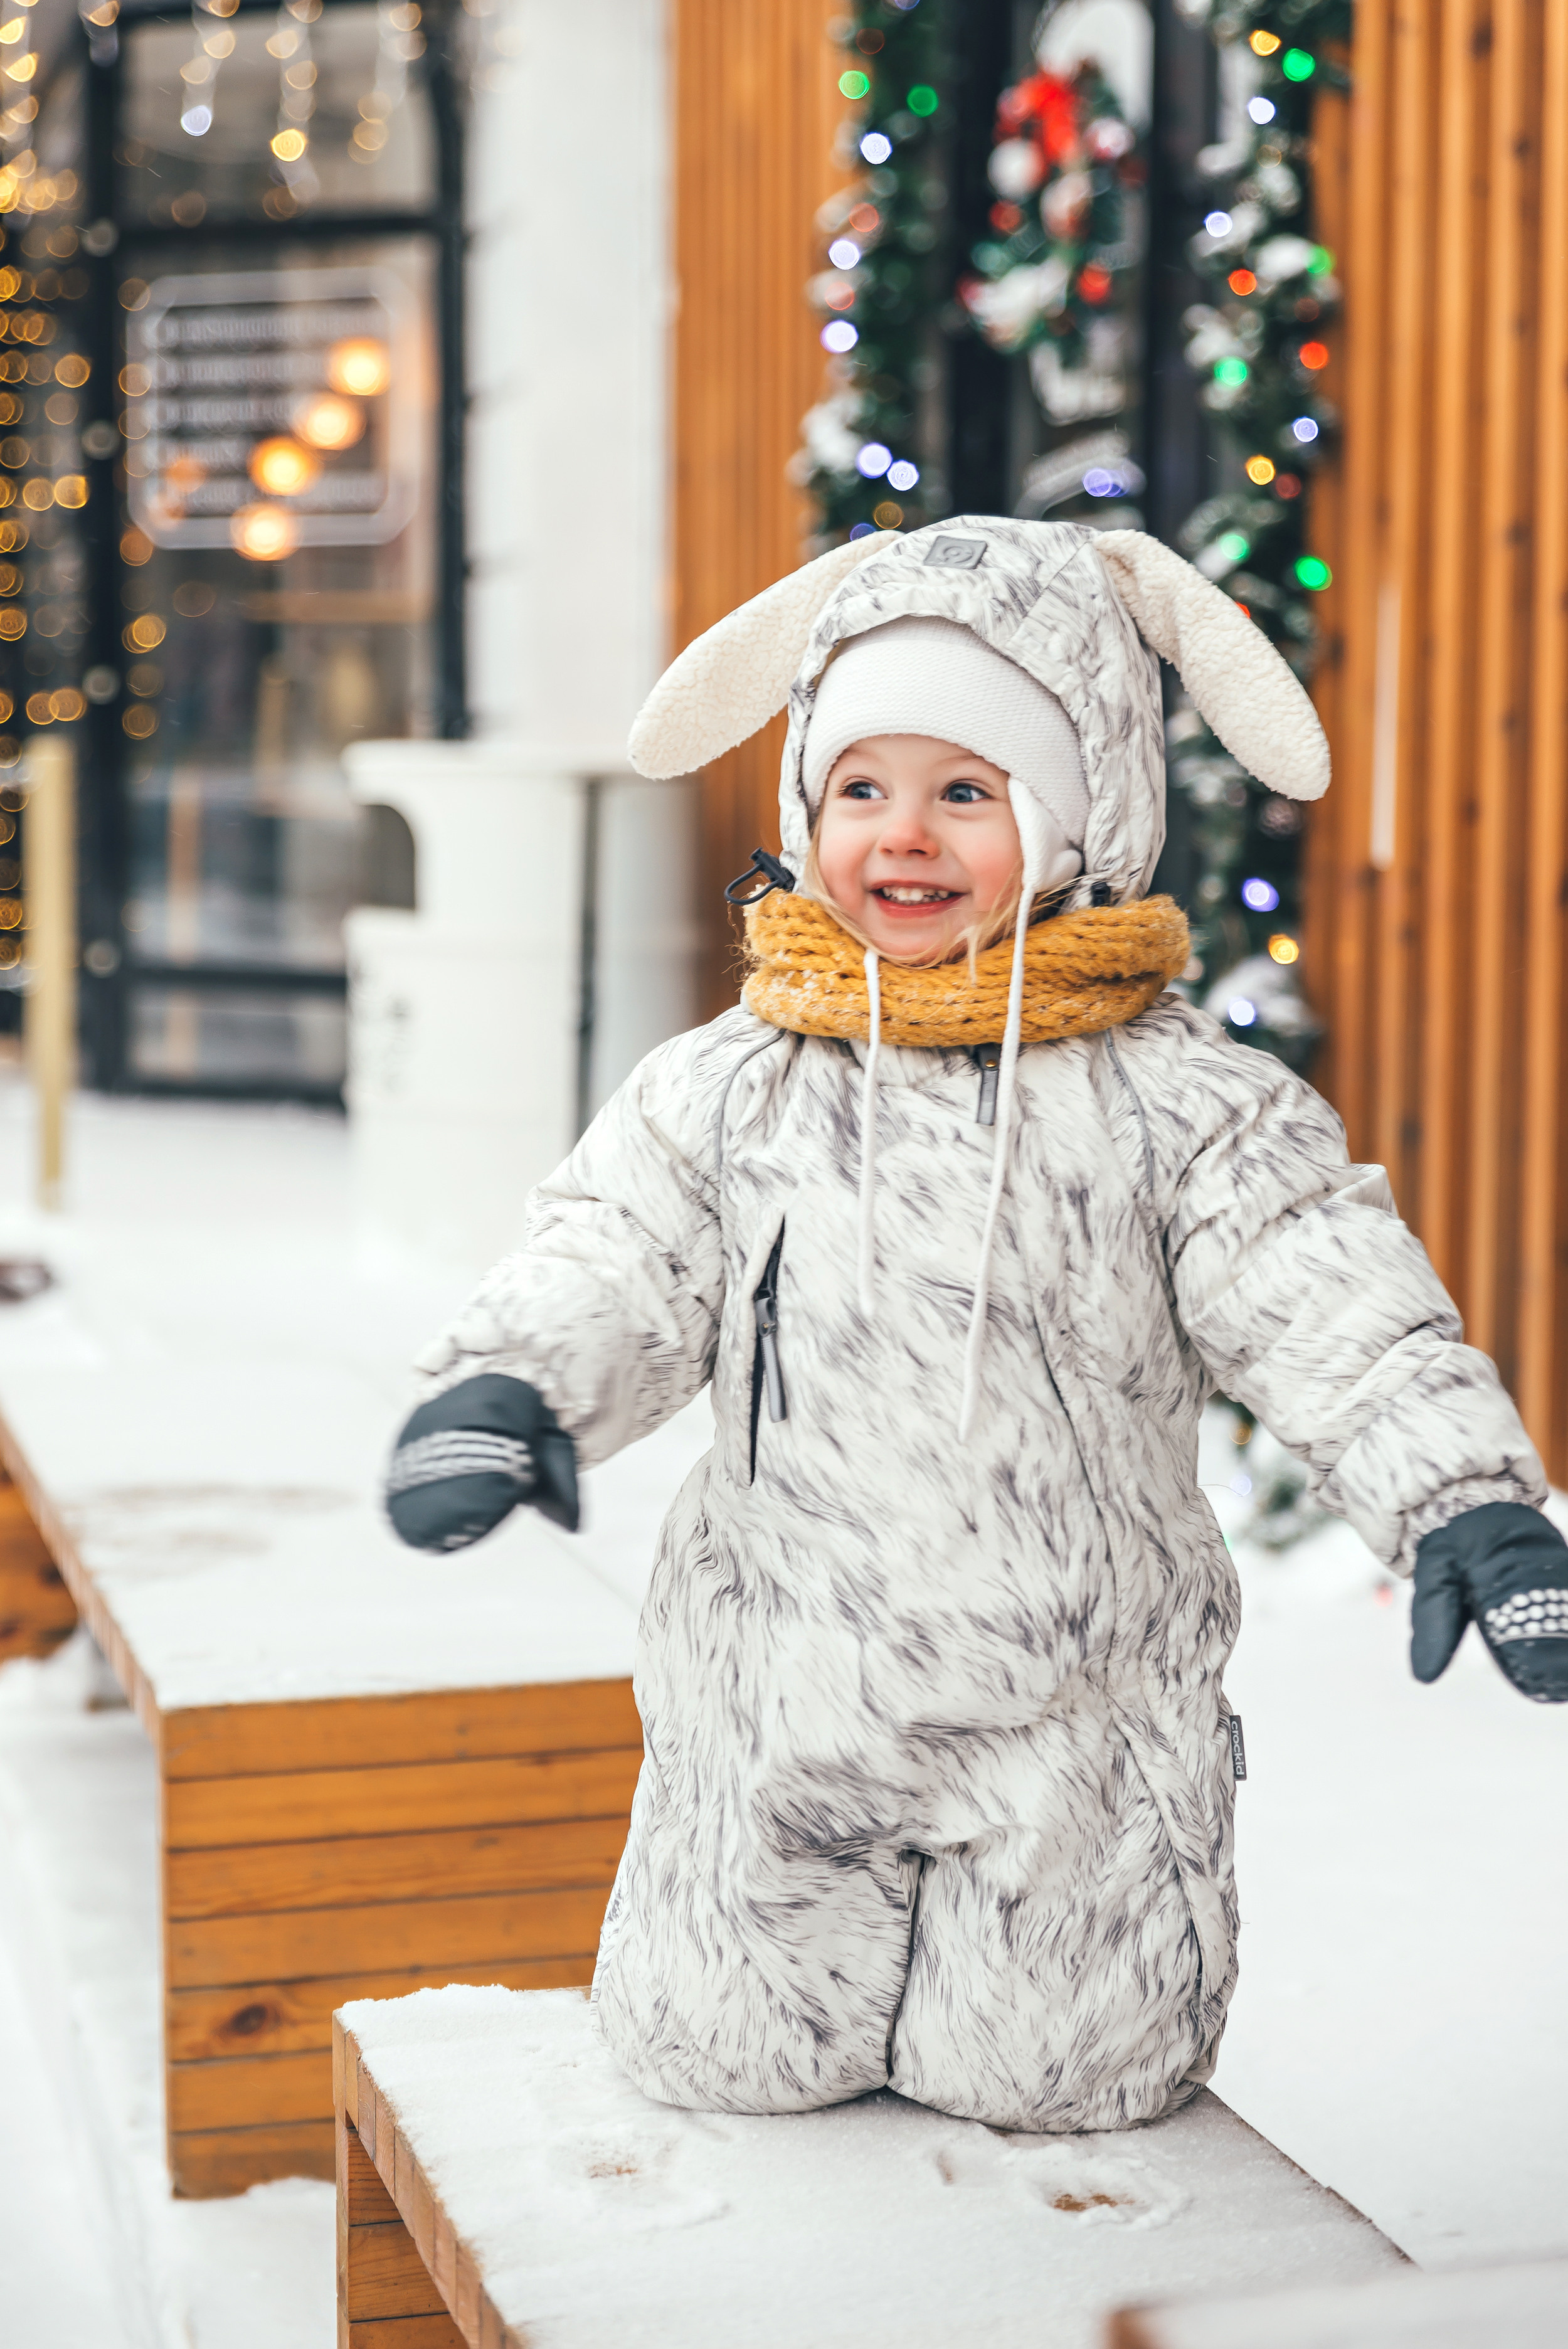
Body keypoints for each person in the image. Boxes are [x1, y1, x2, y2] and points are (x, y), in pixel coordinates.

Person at [385, 519, 1568, 2134]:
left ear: (1081, 811)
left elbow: (1332, 1302)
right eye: (861, 788)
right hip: (776, 1713)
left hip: (1075, 1734)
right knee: (722, 2066)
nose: (905, 836)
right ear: (805, 812)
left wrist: (1470, 1505)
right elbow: (617, 1256)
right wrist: (514, 1386)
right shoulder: (735, 1089)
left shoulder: (1182, 1107)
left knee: (1068, 2086)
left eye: (969, 790)